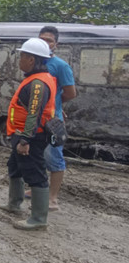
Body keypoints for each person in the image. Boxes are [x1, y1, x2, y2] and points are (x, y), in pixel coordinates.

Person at [0, 38, 57, 231]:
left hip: (30, 136)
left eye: (22, 55)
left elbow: (34, 114)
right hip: (19, 132)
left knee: (35, 173)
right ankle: (14, 204)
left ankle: (39, 218)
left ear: (31, 59)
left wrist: (25, 140)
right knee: (14, 167)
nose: (19, 59)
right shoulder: (36, 78)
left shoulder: (38, 84)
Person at [30, 26, 77, 211]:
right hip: (34, 119)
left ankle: (53, 198)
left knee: (54, 158)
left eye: (49, 40)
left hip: (52, 122)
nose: (45, 43)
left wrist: (57, 105)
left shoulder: (61, 66)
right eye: (42, 39)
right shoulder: (33, 63)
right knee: (37, 156)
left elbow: (70, 93)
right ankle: (38, 188)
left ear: (56, 44)